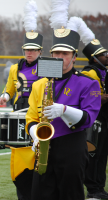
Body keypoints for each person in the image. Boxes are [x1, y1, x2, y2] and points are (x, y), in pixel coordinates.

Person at [26, 15, 101, 199]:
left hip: (72, 145)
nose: (59, 57)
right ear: (50, 55)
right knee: (40, 194)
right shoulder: (39, 84)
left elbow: (89, 118)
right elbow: (30, 116)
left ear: (74, 57)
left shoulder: (87, 83)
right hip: (43, 146)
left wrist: (64, 111)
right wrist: (35, 133)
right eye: (56, 53)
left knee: (70, 194)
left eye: (65, 54)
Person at [0, 1, 43, 199]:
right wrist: (5, 96)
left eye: (33, 50)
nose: (29, 52)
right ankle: (23, 191)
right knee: (19, 152)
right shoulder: (15, 68)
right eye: (27, 49)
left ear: (40, 51)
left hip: (39, 112)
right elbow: (9, 89)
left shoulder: (47, 66)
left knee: (38, 152)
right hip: (19, 111)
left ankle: (38, 189)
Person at [80, 29, 108, 199]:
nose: (107, 55)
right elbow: (92, 96)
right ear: (95, 57)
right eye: (104, 54)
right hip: (95, 119)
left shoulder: (104, 71)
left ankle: (99, 186)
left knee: (103, 154)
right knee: (94, 154)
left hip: (105, 118)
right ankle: (92, 188)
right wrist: (101, 97)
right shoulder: (89, 72)